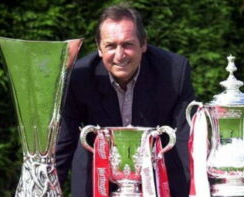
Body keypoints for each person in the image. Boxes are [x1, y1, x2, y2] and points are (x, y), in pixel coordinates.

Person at [56, 4, 195, 197]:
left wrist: (190, 192)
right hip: (96, 180)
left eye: (127, 44)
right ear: (99, 48)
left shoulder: (174, 72)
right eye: (111, 46)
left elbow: (185, 138)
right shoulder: (78, 78)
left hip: (157, 180)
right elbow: (64, 141)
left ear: (143, 43)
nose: (120, 55)